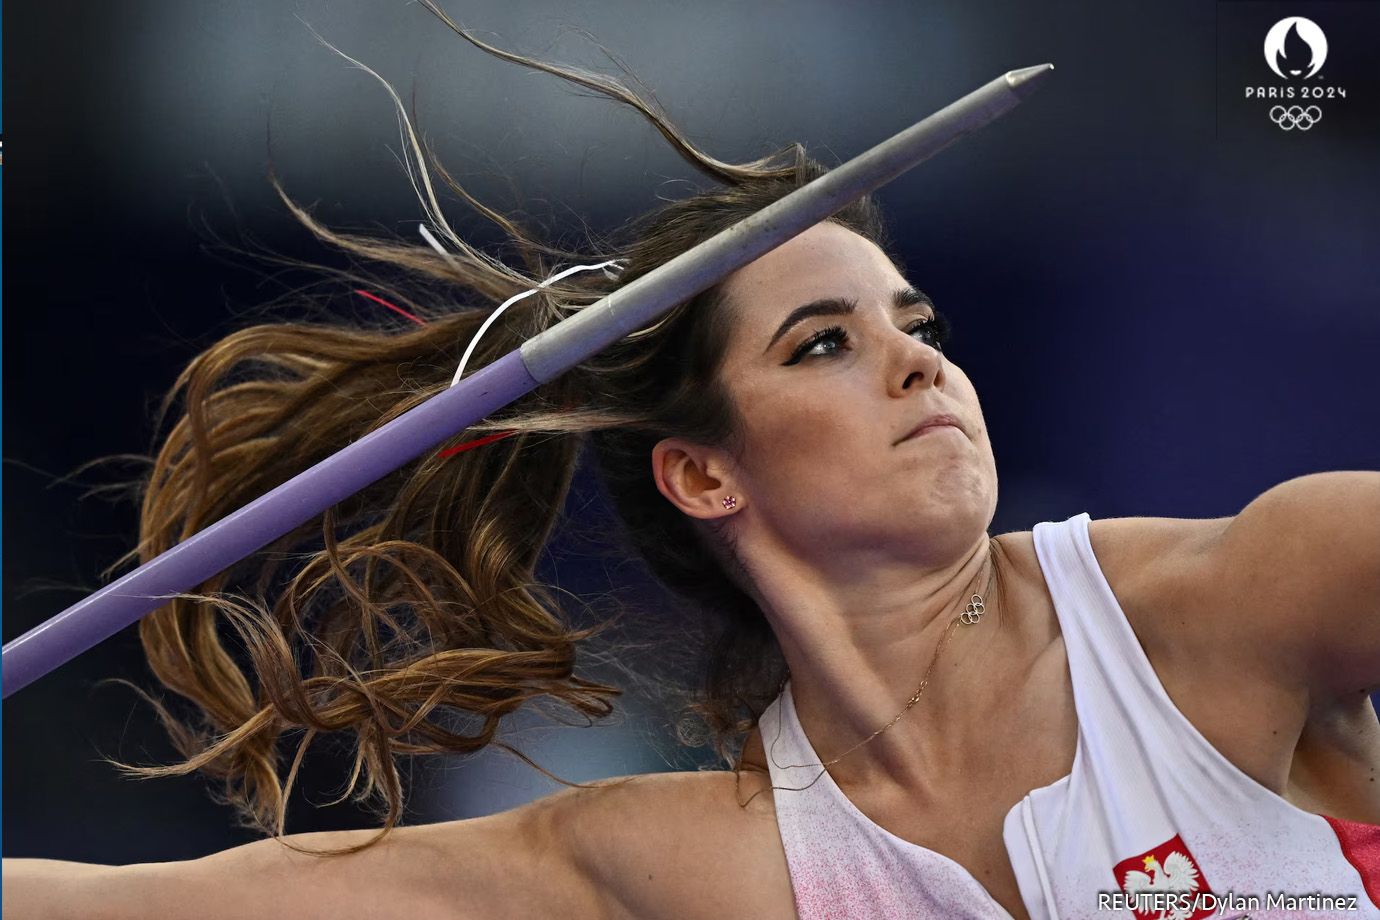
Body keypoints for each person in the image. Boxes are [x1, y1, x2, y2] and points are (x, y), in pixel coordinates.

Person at [5, 9, 1379, 919]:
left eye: (921, 324)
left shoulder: (1233, 604)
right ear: (704, 475)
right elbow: (169, 904)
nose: (919, 364)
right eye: (824, 344)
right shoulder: (710, 865)